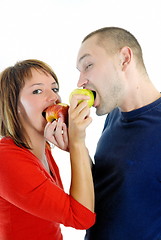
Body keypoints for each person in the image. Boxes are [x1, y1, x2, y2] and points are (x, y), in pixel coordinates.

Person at [76, 27, 161, 240]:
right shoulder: (113, 116)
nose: (80, 82)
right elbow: (109, 189)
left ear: (124, 58)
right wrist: (76, 145)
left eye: (88, 65)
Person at [0, 59, 95, 240]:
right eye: (37, 91)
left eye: (55, 89)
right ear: (15, 105)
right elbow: (82, 218)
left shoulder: (44, 149)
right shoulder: (5, 159)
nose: (54, 98)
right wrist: (76, 143)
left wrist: (77, 148)